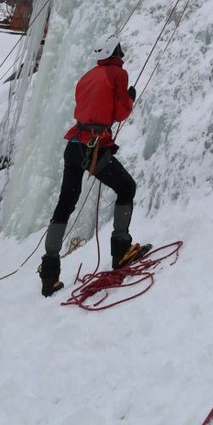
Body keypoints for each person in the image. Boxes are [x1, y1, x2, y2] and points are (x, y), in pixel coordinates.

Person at [38, 39, 144, 297]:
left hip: (74, 144)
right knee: (126, 187)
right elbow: (120, 113)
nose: (122, 53)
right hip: (93, 147)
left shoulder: (88, 75)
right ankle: (121, 250)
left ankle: (50, 273)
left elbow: (87, 106)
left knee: (66, 203)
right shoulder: (118, 73)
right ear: (115, 52)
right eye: (120, 49)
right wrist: (130, 97)